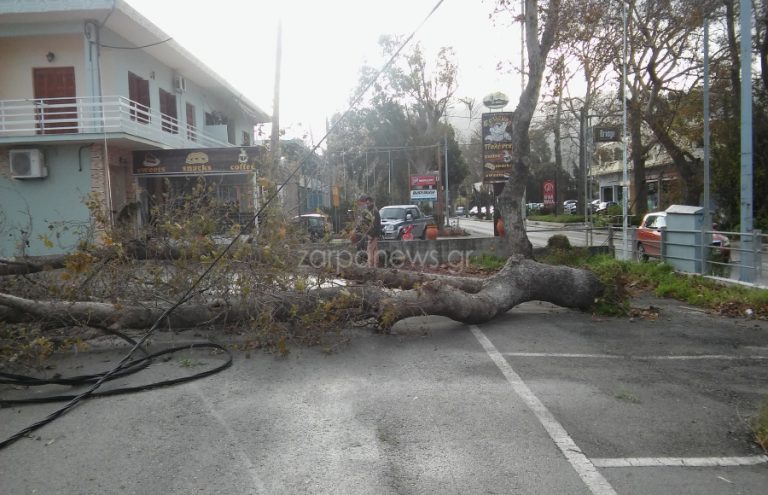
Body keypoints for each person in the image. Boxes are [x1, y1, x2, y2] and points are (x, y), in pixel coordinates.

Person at [358, 195, 381, 268]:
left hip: (373, 235)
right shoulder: (370, 211)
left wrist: (371, 235)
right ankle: (375, 267)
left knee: (370, 251)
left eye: (368, 203)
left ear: (372, 203)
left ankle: (371, 268)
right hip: (372, 234)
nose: (367, 205)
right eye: (366, 203)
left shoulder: (374, 211)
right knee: (374, 251)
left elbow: (375, 225)